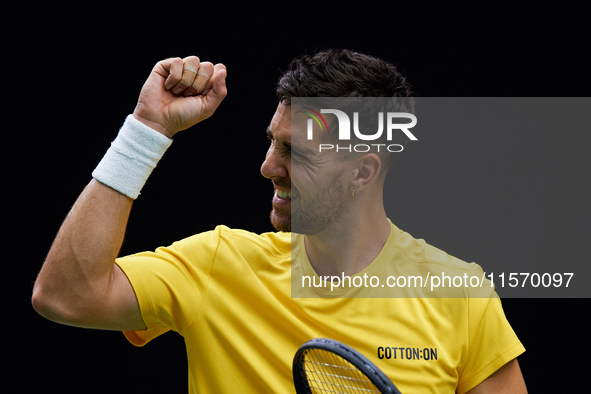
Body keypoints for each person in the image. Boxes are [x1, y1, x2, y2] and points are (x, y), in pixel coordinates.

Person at [32, 49, 527, 393]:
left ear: (362, 171)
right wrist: (147, 131)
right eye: (273, 140)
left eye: (296, 153)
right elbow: (63, 296)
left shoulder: (459, 294)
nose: (268, 166)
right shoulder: (219, 264)